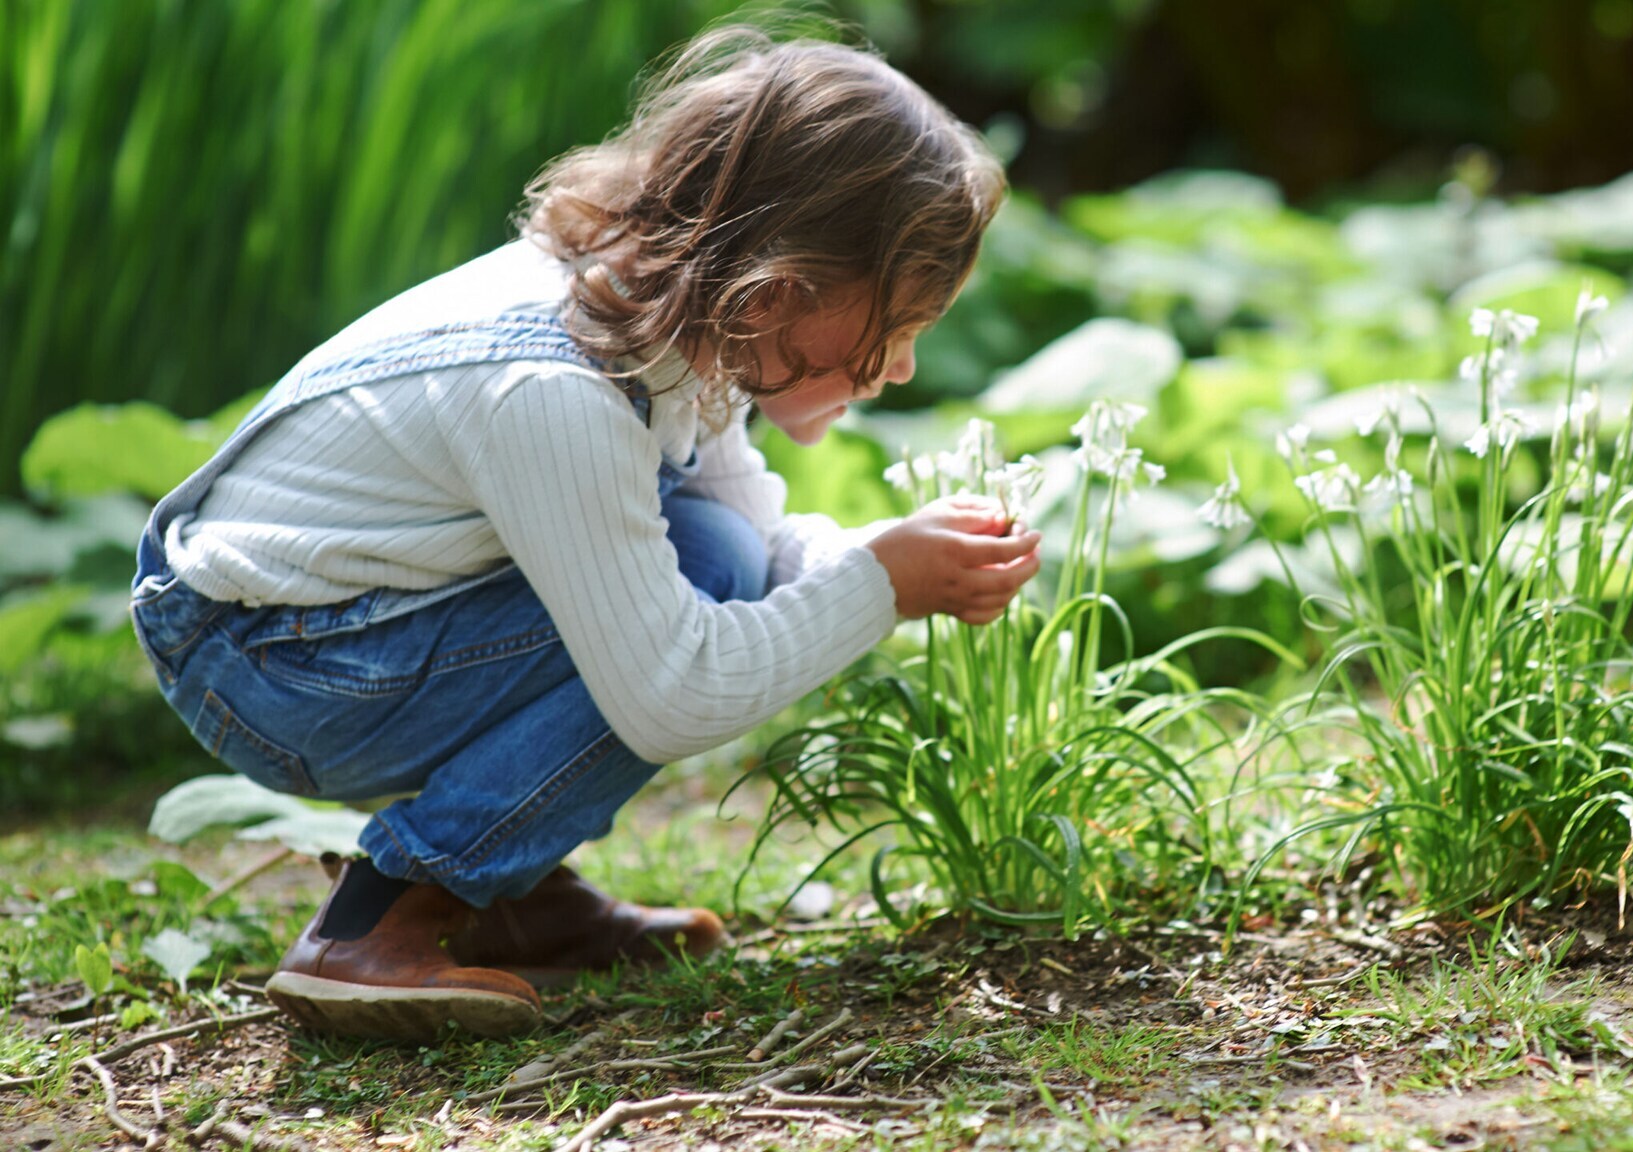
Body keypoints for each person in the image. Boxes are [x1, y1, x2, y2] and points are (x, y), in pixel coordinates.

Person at [128, 27, 1039, 1043]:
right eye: (900, 325)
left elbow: (751, 535)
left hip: (329, 628)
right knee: (692, 593)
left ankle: (508, 895)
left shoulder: (671, 318)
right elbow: (672, 690)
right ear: (781, 286)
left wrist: (896, 554)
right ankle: (377, 920)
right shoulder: (555, 386)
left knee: (710, 552)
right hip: (272, 665)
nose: (904, 366)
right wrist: (880, 584)